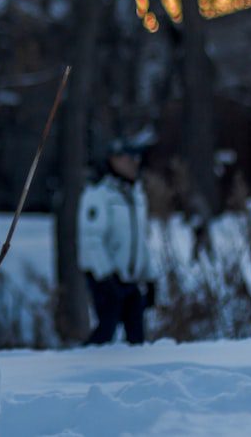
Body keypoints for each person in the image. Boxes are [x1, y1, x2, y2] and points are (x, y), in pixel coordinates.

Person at [78, 133, 157, 345]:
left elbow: (141, 240)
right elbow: (92, 239)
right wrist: (106, 277)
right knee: (106, 330)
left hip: (130, 278)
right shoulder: (99, 194)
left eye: (136, 158)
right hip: (105, 277)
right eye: (128, 158)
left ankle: (135, 376)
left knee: (137, 337)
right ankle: (81, 370)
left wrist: (150, 277)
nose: (135, 163)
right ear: (114, 159)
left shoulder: (137, 195)